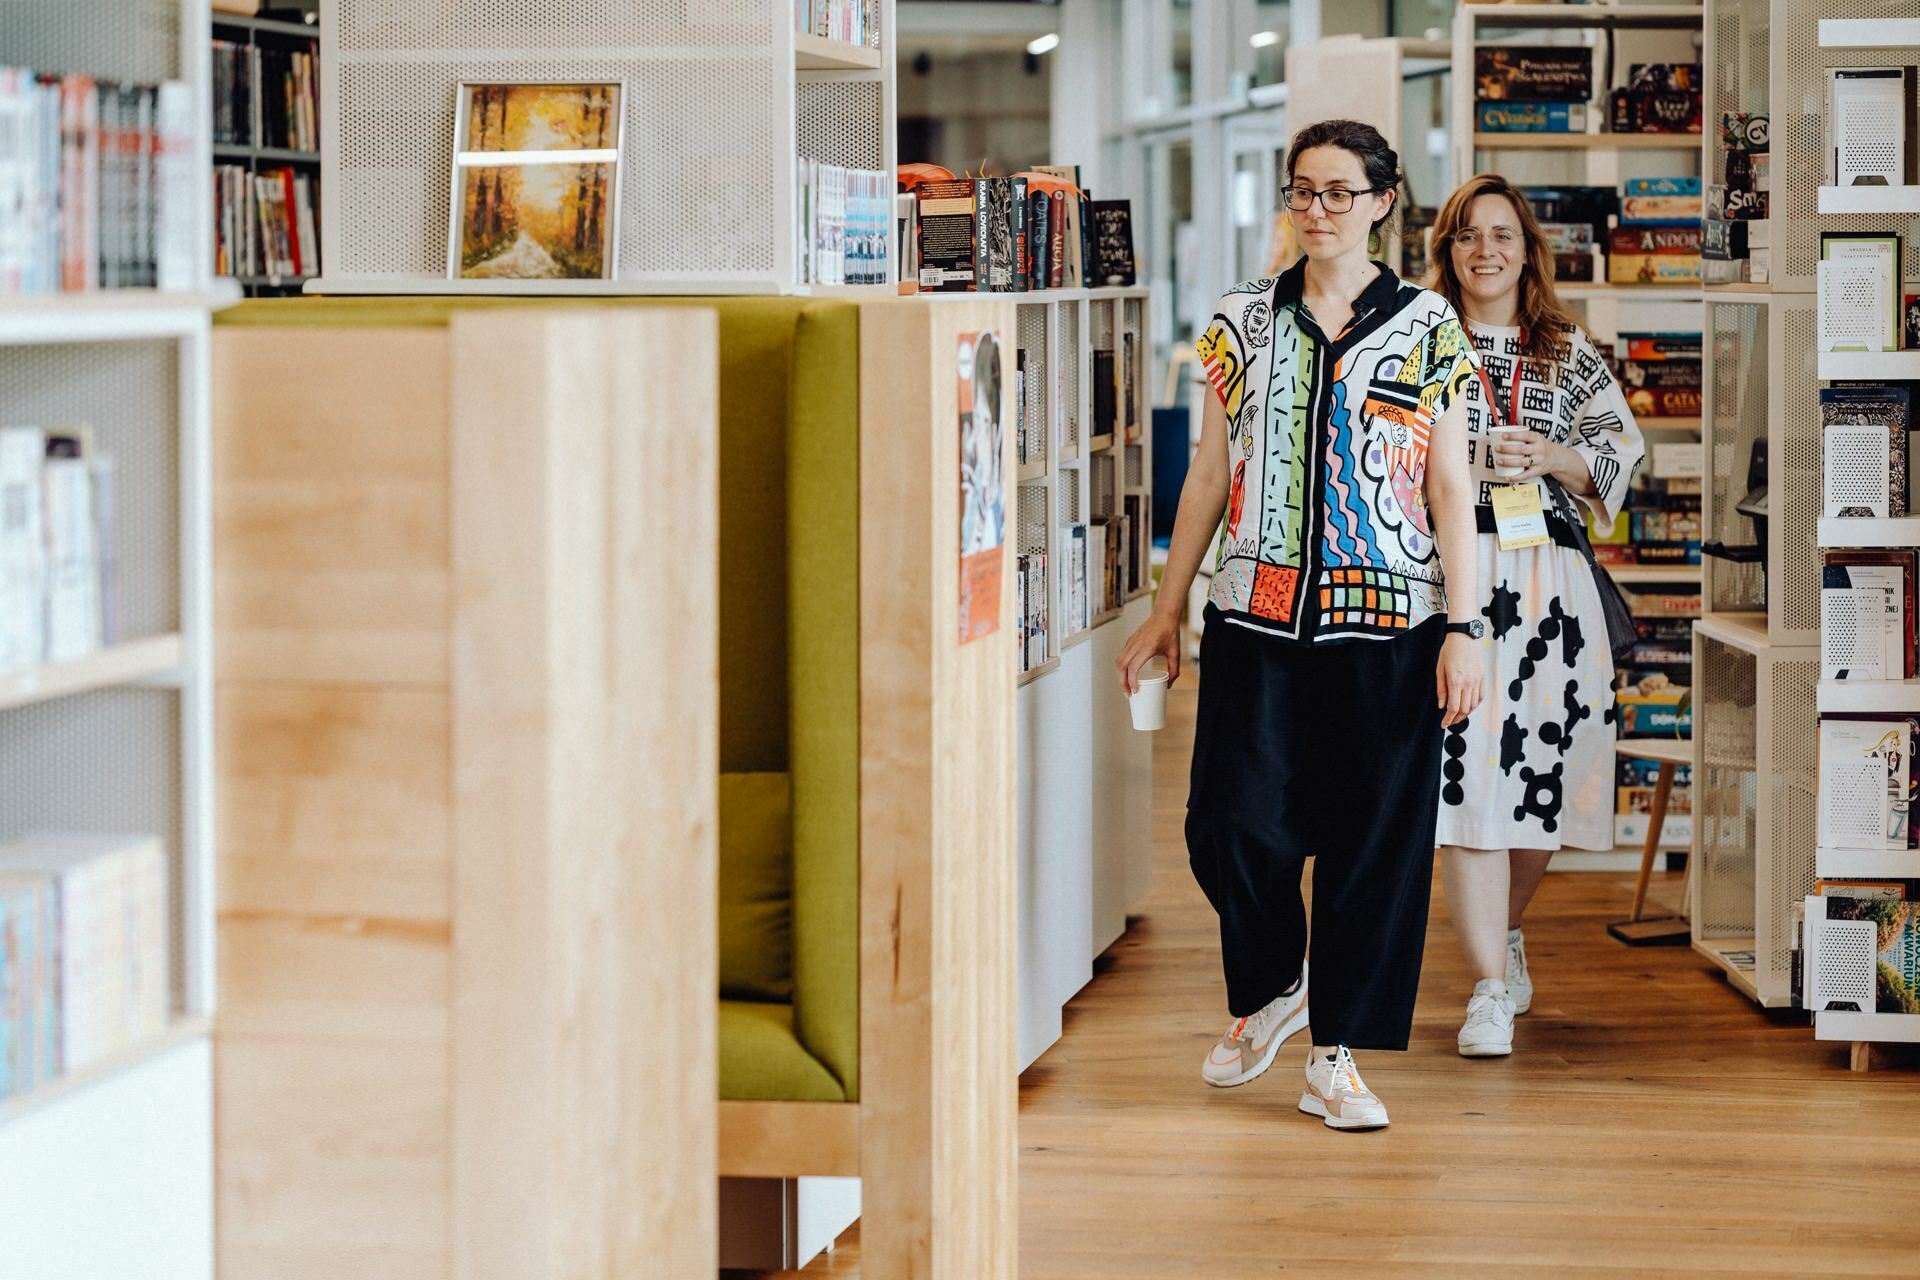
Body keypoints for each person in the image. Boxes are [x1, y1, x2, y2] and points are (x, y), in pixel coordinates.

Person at [1117, 119, 1486, 1132]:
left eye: (1337, 191)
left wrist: (1468, 625)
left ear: (1381, 201)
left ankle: (1336, 1054)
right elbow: (1208, 473)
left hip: (1395, 627)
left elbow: (1451, 488)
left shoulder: (1429, 328)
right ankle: (1277, 981)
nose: (1316, 210)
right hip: (1254, 619)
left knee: (1375, 846)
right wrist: (1165, 608)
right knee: (1230, 823)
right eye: (1302, 192)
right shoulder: (1238, 321)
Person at [1425, 173, 1644, 1058]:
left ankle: (1504, 937)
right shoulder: (1419, 340)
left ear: (1528, 249)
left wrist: (1554, 455)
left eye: (1503, 235)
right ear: (1447, 248)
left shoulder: (1568, 349)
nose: (1487, 250)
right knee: (1464, 777)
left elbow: (1621, 459)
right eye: (1469, 235)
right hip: (1457, 582)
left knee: (1541, 781)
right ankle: (1486, 989)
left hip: (1554, 588)